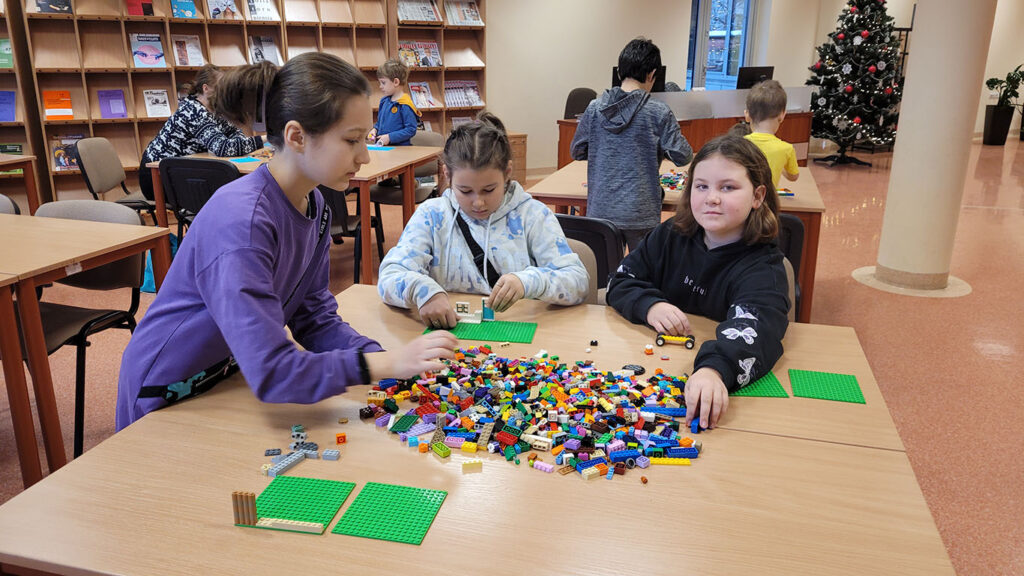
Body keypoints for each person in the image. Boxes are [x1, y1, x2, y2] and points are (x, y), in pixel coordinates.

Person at [116, 53, 457, 429]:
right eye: (351, 140)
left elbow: (313, 318)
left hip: (227, 376)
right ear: (296, 136)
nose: (364, 155)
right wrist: (382, 364)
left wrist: (384, 359)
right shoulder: (242, 222)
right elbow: (273, 370)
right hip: (165, 393)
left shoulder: (315, 203)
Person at [606, 135, 790, 432]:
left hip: (702, 376)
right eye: (701, 186)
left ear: (757, 196)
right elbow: (623, 280)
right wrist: (650, 306)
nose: (711, 198)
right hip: (653, 367)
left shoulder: (763, 267)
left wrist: (713, 370)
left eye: (727, 187)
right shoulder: (669, 235)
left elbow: (756, 330)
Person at [377, 112, 589, 329]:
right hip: (450, 338)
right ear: (447, 175)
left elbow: (578, 281)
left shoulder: (533, 216)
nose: (478, 202)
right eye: (465, 190)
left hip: (521, 335)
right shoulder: (432, 215)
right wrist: (423, 292)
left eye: (489, 190)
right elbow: (389, 275)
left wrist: (528, 282)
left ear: (507, 172)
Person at [570, 37, 693, 251]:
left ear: (620, 72)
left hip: (601, 210)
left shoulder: (594, 108)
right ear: (652, 74)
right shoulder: (658, 111)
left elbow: (577, 151)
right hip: (641, 212)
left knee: (604, 278)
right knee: (642, 277)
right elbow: (683, 155)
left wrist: (605, 150)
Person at [138, 63, 265, 201]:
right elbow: (224, 148)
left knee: (227, 189)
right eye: (221, 87)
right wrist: (264, 139)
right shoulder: (193, 111)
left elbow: (234, 133)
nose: (226, 92)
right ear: (206, 88)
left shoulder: (214, 110)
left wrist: (236, 143)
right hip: (157, 177)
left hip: (180, 173)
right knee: (225, 193)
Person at [743, 79, 799, 187]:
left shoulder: (738, 144)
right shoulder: (786, 149)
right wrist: (781, 166)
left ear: (747, 115)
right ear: (782, 115)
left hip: (743, 202)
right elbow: (794, 176)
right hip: (769, 202)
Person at [366, 58, 420, 147]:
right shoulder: (384, 101)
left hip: (401, 149)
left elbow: (411, 129)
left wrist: (390, 137)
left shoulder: (405, 104)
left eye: (383, 83)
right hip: (383, 147)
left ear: (396, 82)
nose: (380, 86)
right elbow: (380, 122)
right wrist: (374, 130)